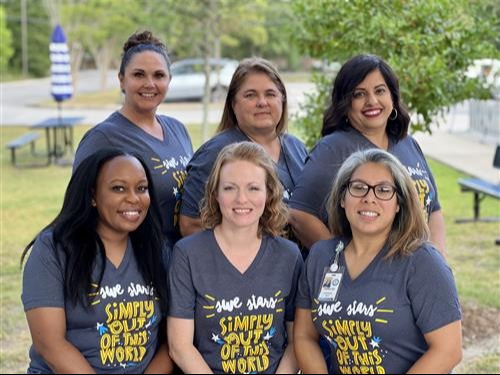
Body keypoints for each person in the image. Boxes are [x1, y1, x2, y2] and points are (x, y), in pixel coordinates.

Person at [294, 149, 462, 374]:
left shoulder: (423, 263)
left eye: (384, 190)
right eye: (358, 187)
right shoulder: (321, 256)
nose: (369, 198)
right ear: (342, 198)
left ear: (399, 204)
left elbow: (448, 350)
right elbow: (304, 335)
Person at [21, 149, 173, 373]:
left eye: (141, 188)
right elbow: (50, 345)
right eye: (118, 188)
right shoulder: (53, 249)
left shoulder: (158, 249)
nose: (133, 198)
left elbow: (173, 339)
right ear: (92, 195)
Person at [289, 54, 446, 254]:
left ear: (393, 97)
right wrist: (343, 262)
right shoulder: (333, 149)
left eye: (380, 91)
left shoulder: (408, 144)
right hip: (370, 281)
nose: (372, 101)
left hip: (416, 274)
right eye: (359, 94)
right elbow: (299, 215)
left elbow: (433, 210)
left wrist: (438, 263)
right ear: (345, 103)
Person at [168, 142, 303, 373]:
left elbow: (296, 341)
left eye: (253, 188)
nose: (242, 199)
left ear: (269, 192)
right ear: (215, 193)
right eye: (230, 188)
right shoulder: (187, 254)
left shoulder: (289, 256)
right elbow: (179, 346)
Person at [74, 30, 193, 246]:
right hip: (138, 266)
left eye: (158, 75)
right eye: (139, 75)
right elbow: (80, 211)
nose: (150, 83)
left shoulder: (179, 130)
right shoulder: (102, 138)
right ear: (121, 80)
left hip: (182, 264)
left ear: (169, 80)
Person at [179, 57, 308, 238]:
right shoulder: (216, 153)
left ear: (282, 100)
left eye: (270, 94)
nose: (262, 102)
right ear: (233, 104)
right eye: (250, 95)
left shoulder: (296, 148)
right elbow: (189, 225)